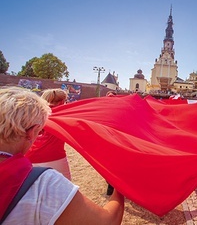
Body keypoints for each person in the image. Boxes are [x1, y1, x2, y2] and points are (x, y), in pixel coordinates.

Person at [0, 87, 124, 224]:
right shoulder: (45, 183)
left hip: (31, 159)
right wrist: (120, 185)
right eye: (39, 132)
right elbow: (108, 222)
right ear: (33, 131)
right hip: (54, 159)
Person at [25, 88, 71, 180]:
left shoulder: (32, 112)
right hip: (54, 156)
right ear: (62, 101)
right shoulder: (63, 114)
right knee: (64, 188)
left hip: (29, 156)